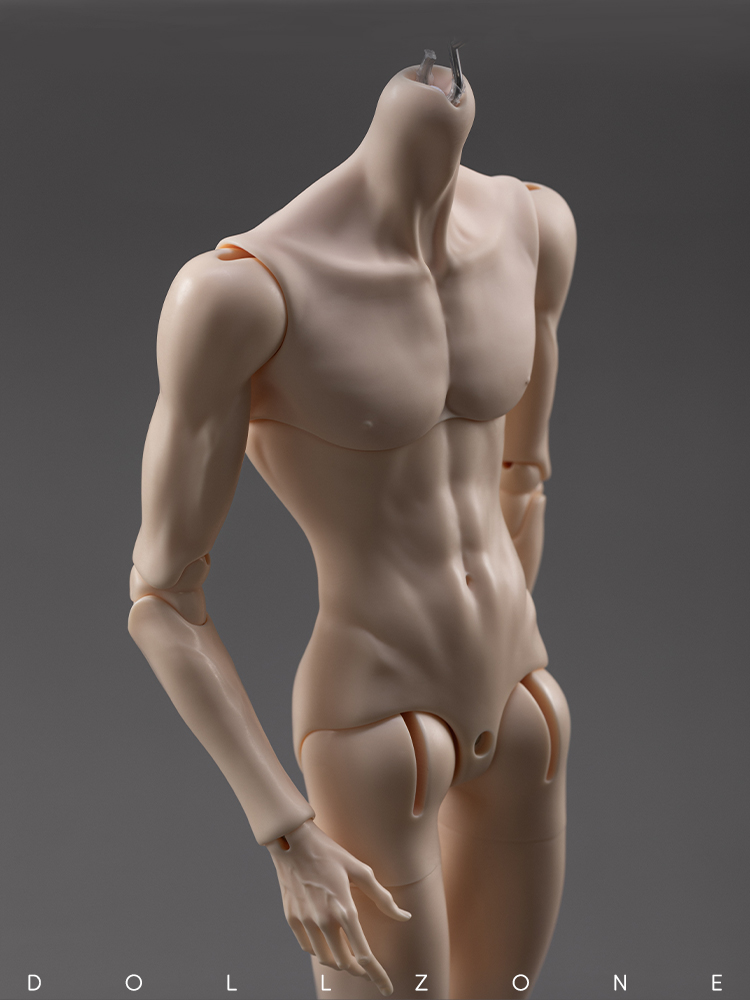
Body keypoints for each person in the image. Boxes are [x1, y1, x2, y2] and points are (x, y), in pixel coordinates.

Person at [129, 49, 577, 1000]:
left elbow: (525, 477)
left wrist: (496, 642)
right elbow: (162, 599)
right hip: (379, 720)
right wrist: (286, 832)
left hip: (524, 705)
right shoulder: (242, 295)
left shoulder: (537, 227)